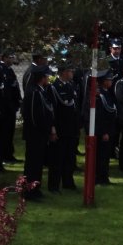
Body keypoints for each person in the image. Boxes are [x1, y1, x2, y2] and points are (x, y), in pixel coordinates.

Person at [22, 65, 55, 199]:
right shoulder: (34, 92)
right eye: (47, 76)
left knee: (38, 163)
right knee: (33, 164)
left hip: (41, 134)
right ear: (42, 78)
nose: (48, 78)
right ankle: (30, 190)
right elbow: (34, 116)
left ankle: (36, 188)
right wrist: (44, 130)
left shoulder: (41, 91)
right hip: (35, 134)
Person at [48, 63, 80, 192]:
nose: (72, 73)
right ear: (63, 72)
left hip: (71, 128)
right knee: (57, 159)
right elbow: (52, 110)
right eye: (70, 71)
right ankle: (54, 185)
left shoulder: (71, 85)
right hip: (60, 128)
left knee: (70, 158)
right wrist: (53, 129)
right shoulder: (54, 87)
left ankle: (68, 182)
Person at [93, 70, 117, 185]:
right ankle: (99, 178)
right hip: (103, 130)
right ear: (103, 82)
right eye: (109, 80)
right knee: (101, 157)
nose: (111, 81)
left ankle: (104, 177)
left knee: (106, 156)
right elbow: (100, 116)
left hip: (110, 129)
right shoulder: (99, 95)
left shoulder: (108, 93)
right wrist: (104, 132)